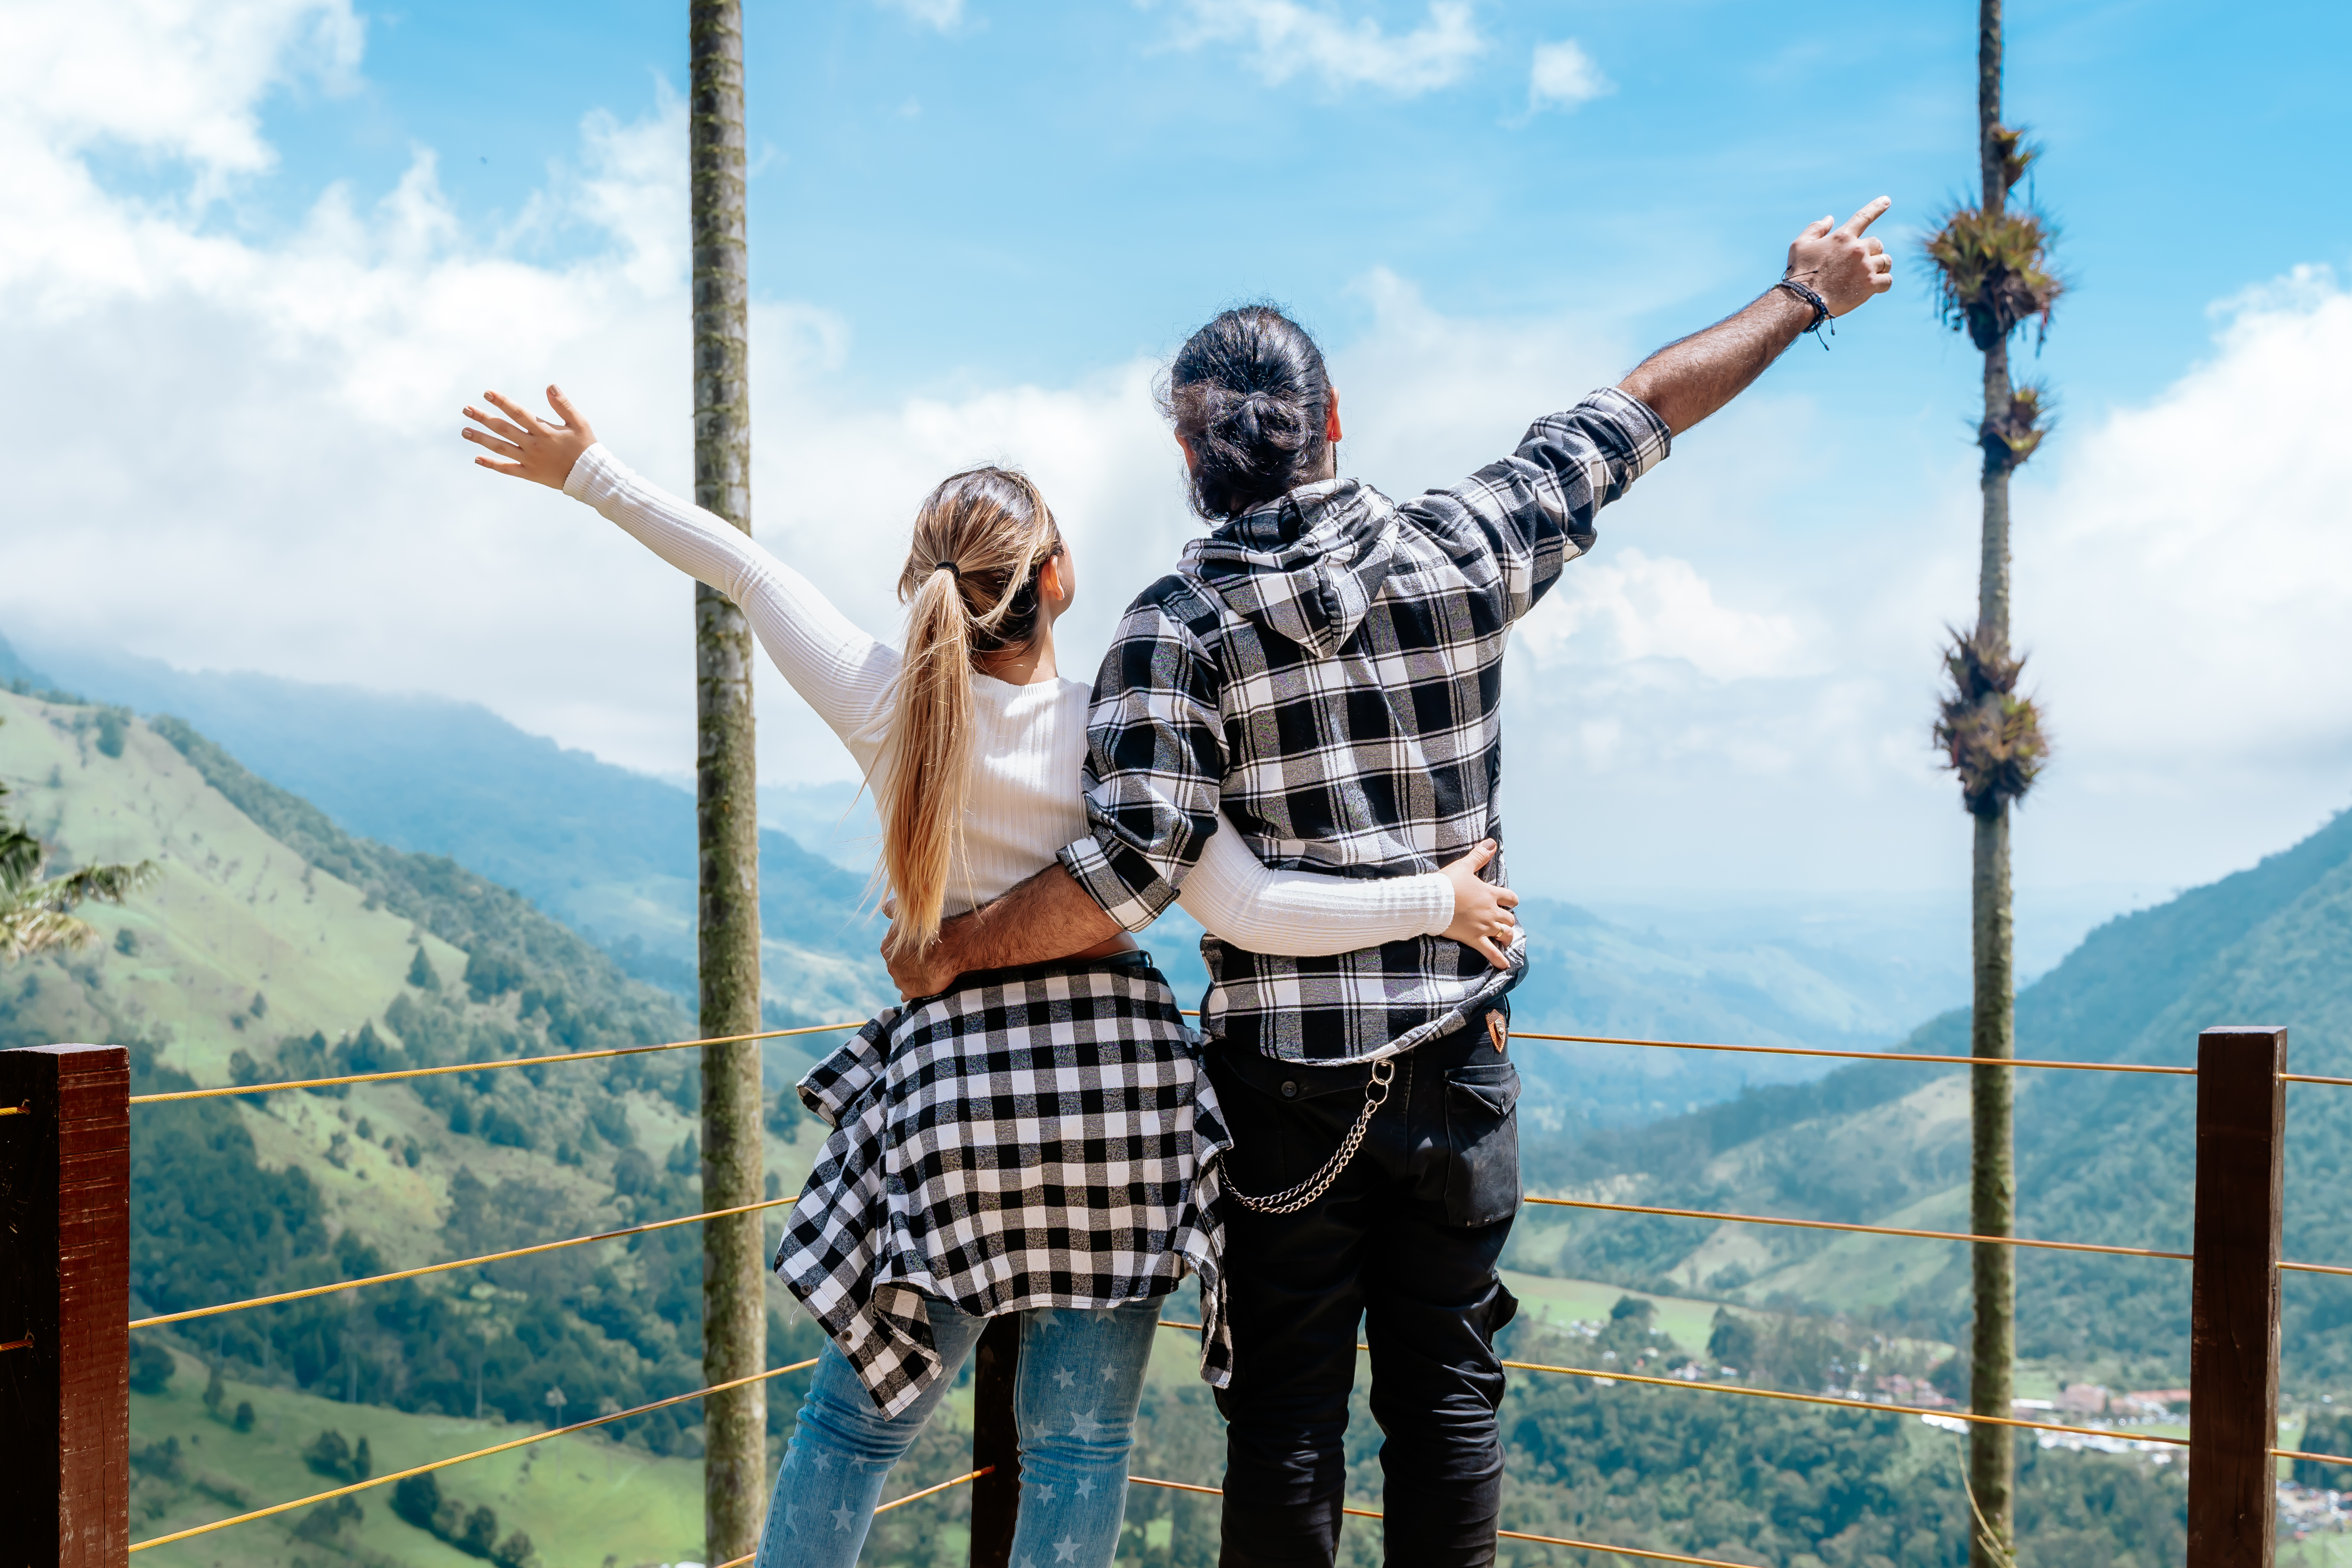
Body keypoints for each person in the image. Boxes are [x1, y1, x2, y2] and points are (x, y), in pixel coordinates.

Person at [881, 200, 1898, 1567]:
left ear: (1191, 459)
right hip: (1459, 1068)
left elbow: (1123, 874)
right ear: (1333, 416)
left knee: (1288, 1420)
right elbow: (1645, 409)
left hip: (1284, 1093)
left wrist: (950, 952)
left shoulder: (1172, 634)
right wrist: (1801, 297)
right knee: (1449, 1400)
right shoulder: (1463, 545)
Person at [457, 392, 1521, 1568]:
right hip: (1117, 1110)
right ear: (1058, 578)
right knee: (1076, 1450)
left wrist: (589, 470)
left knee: (851, 1426)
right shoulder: (1120, 726)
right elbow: (1247, 906)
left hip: (957, 1101)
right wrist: (1441, 900)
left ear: (923, 584)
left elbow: (748, 573)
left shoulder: (890, 706)